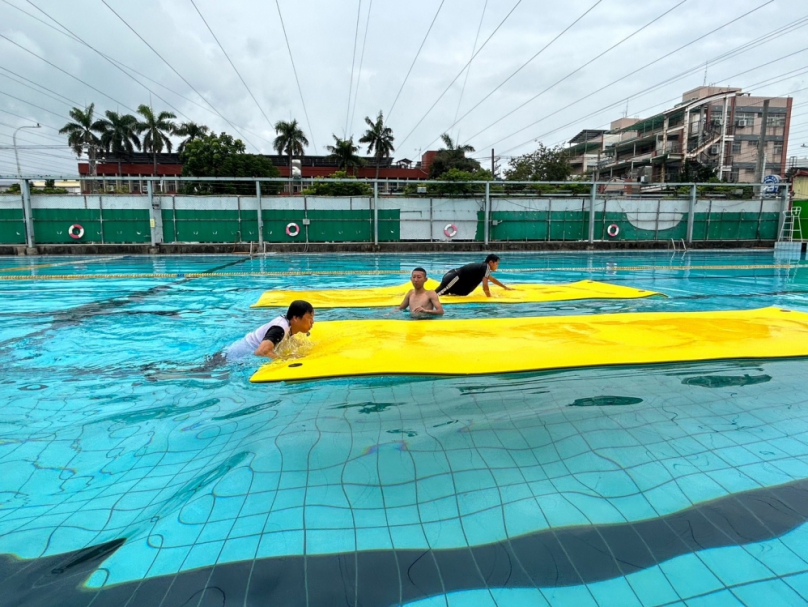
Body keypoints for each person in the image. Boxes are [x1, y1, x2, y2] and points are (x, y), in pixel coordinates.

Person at [225, 300, 315, 360]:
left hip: (234, 353)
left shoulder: (288, 326)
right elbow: (261, 352)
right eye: (309, 319)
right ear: (295, 318)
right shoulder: (279, 329)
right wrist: (286, 360)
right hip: (231, 358)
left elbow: (287, 340)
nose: (312, 322)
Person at [435, 254, 512, 298]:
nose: (497, 266)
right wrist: (489, 298)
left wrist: (505, 287)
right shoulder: (486, 267)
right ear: (491, 262)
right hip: (454, 277)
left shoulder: (483, 268)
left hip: (456, 280)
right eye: (497, 264)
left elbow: (492, 279)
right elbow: (485, 285)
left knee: (446, 295)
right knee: (436, 295)